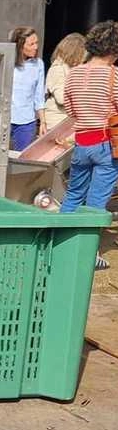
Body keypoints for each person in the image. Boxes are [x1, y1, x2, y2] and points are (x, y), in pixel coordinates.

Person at [61, 21, 118, 269]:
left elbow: (71, 109)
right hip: (106, 142)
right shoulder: (113, 75)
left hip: (81, 142)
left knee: (73, 194)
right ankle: (89, 253)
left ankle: (60, 242)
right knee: (97, 200)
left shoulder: (73, 73)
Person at [0, 27, 45, 151]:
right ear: (20, 45)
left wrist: (43, 121)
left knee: (23, 158)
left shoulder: (38, 64)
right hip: (3, 117)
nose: (36, 47)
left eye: (36, 43)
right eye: (31, 44)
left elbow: (39, 96)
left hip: (27, 121)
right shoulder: (4, 62)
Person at [45, 32, 88, 130]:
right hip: (57, 121)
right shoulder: (58, 69)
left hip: (68, 120)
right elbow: (61, 98)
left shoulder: (71, 68)